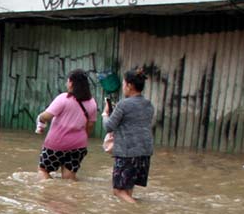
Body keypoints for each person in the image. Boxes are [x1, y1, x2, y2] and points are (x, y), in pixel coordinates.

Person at [103, 69, 155, 204]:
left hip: (127, 153)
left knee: (118, 191)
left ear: (130, 85)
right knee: (128, 190)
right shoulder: (148, 104)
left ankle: (137, 211)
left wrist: (105, 114)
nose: (123, 86)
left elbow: (109, 126)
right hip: (144, 152)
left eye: (124, 83)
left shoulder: (123, 104)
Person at [35, 68, 97, 182]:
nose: (66, 83)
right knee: (69, 178)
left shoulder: (63, 98)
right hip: (78, 146)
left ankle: (48, 194)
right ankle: (68, 197)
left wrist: (40, 118)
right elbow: (91, 125)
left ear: (72, 83)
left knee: (43, 170)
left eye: (68, 81)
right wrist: (82, 138)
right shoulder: (92, 102)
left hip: (56, 144)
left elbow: (47, 116)